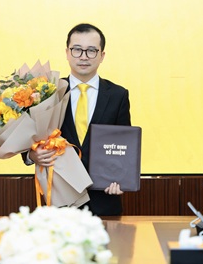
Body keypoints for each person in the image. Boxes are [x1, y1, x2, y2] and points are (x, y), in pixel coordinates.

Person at [27, 23, 132, 216]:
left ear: (102, 55)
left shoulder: (118, 95)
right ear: (67, 53)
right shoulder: (48, 93)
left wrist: (122, 179)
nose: (84, 56)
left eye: (91, 50)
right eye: (77, 50)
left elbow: (123, 145)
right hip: (60, 199)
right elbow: (29, 137)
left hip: (104, 200)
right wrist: (31, 155)